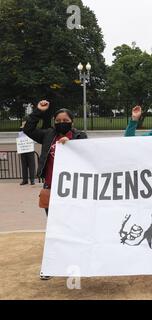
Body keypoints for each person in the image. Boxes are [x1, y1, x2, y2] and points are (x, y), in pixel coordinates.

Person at [23, 100, 87, 280]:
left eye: (64, 120)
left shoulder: (80, 136)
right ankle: (52, 266)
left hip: (74, 191)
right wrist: (38, 111)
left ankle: (78, 262)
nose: (61, 123)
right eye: (57, 120)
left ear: (72, 122)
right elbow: (28, 130)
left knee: (74, 228)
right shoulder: (48, 135)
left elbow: (89, 155)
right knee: (54, 229)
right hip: (51, 188)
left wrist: (73, 143)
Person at [18, 121, 36, 185]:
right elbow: (19, 140)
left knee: (32, 166)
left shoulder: (32, 131)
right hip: (23, 150)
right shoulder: (21, 132)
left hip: (30, 150)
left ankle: (32, 180)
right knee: (24, 166)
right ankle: (25, 180)